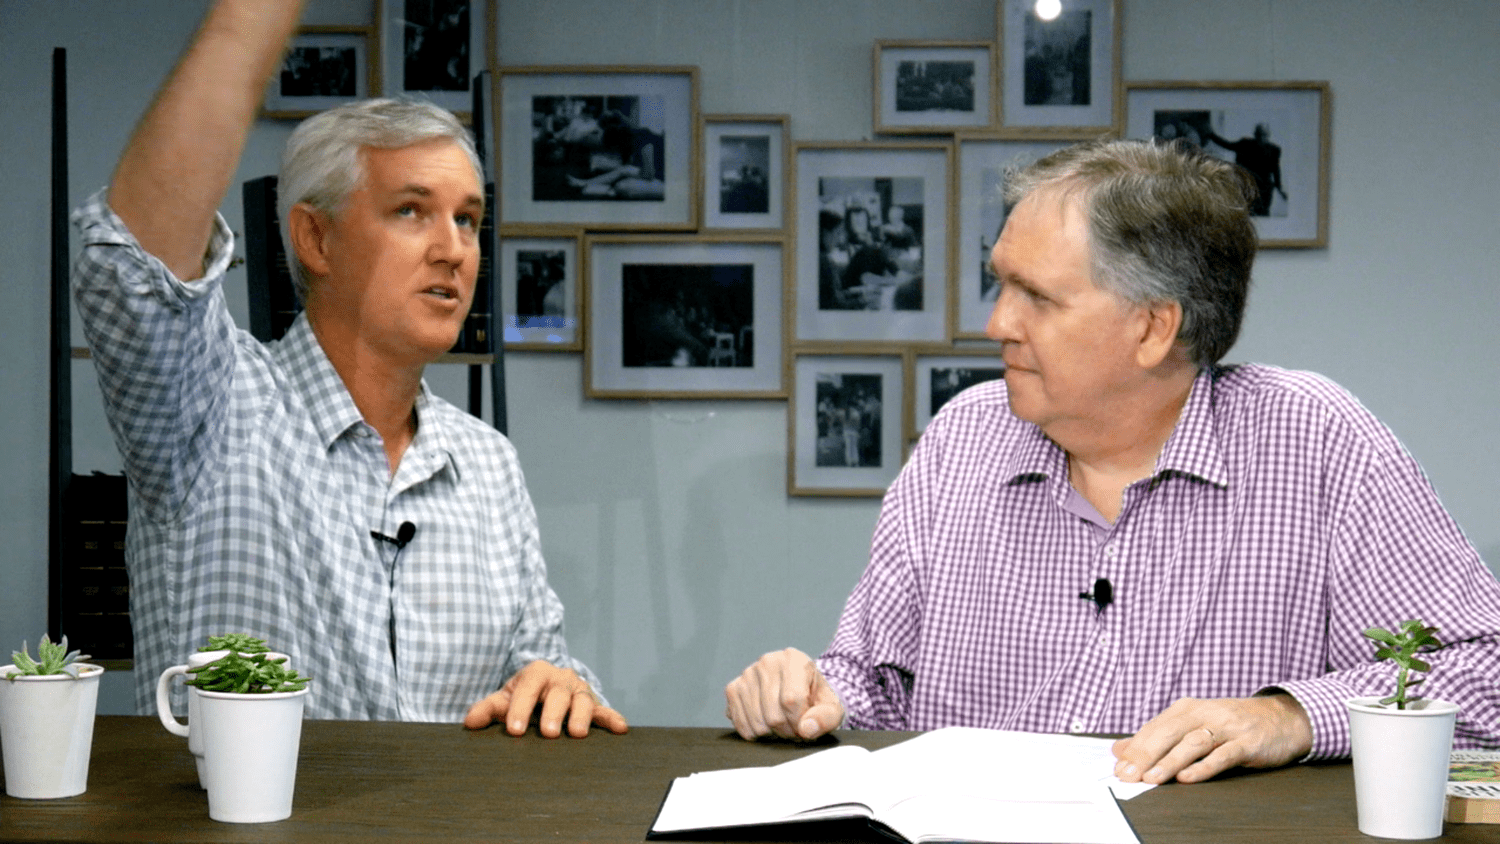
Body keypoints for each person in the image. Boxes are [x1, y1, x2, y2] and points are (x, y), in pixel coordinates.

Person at [725, 137, 1500, 785]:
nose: (996, 324)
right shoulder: (963, 437)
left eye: (1037, 297)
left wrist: (1290, 715)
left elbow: (1484, 673)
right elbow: (874, 686)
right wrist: (809, 695)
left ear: (1154, 328)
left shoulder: (1316, 440)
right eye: (1001, 286)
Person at [71, 0, 626, 739]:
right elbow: (134, 267)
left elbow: (540, 670)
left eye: (467, 219)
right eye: (411, 211)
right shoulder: (214, 410)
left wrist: (560, 685)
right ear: (316, 239)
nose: (453, 250)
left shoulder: (489, 464)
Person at [1205, 123, 1287, 216]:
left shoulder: (1274, 150)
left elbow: (1276, 171)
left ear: (1268, 136)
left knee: (1263, 214)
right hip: (1248, 186)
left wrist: (1280, 189)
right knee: (1247, 212)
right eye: (1258, 134)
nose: (1261, 137)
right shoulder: (1245, 144)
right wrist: (1211, 135)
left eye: (1264, 135)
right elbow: (1228, 145)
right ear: (1255, 134)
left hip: (1264, 189)